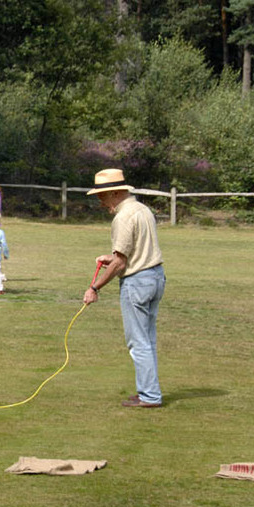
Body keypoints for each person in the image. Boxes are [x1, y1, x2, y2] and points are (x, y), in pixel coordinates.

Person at [82, 168, 166, 408]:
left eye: (102, 195)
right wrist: (112, 257)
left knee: (138, 342)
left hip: (137, 282)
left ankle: (150, 396)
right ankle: (148, 391)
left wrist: (94, 287)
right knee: (146, 340)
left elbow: (121, 262)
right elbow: (133, 251)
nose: (100, 201)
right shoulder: (142, 209)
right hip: (155, 277)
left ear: (116, 192)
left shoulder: (123, 217)